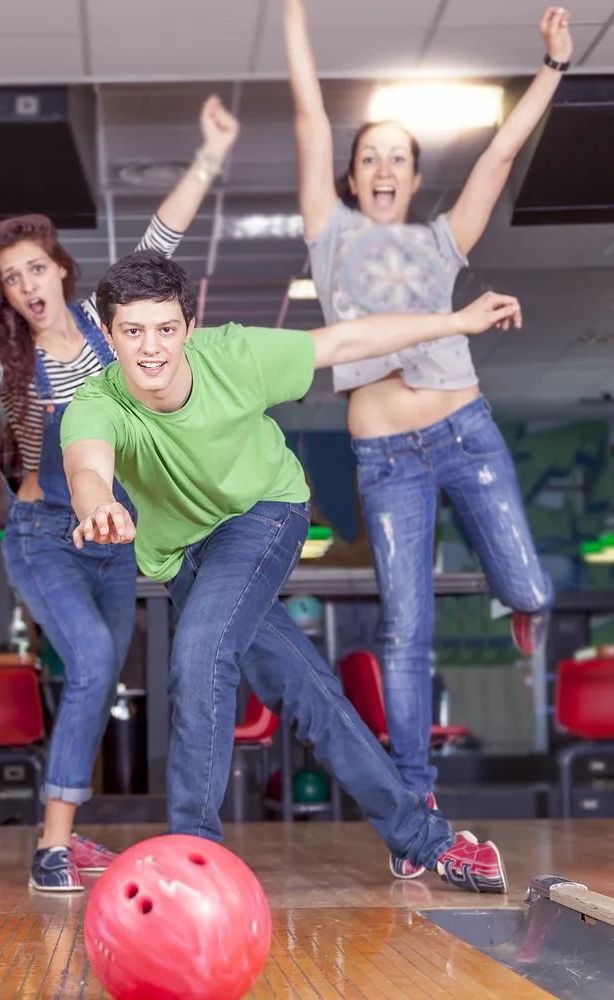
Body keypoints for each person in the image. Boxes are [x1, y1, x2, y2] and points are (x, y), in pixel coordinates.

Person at [0, 96, 240, 892]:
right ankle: (52, 847)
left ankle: (67, 833)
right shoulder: (13, 363)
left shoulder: (113, 330)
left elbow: (161, 236)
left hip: (112, 537)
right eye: (11, 278)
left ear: (62, 270)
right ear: (5, 296)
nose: (28, 284)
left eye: (36, 267)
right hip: (41, 535)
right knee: (97, 658)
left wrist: (207, 157)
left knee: (97, 675)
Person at [60, 250, 523, 894]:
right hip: (184, 556)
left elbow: (349, 338)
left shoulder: (237, 357)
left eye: (165, 328)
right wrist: (99, 503)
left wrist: (456, 320)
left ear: (189, 328)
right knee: (304, 691)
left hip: (265, 513)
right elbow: (87, 466)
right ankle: (423, 840)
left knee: (199, 652)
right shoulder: (96, 402)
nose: (151, 348)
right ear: (108, 337)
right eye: (132, 331)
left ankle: (193, 863)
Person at [283, 0, 565, 876]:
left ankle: (521, 603)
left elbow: (500, 156)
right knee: (406, 630)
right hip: (386, 460)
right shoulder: (328, 239)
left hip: (466, 435)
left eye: (397, 158)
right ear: (353, 174)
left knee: (530, 586)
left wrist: (553, 68)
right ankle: (418, 799)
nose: (381, 167)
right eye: (368, 155)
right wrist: (291, 12)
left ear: (410, 177)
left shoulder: (443, 242)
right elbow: (304, 109)